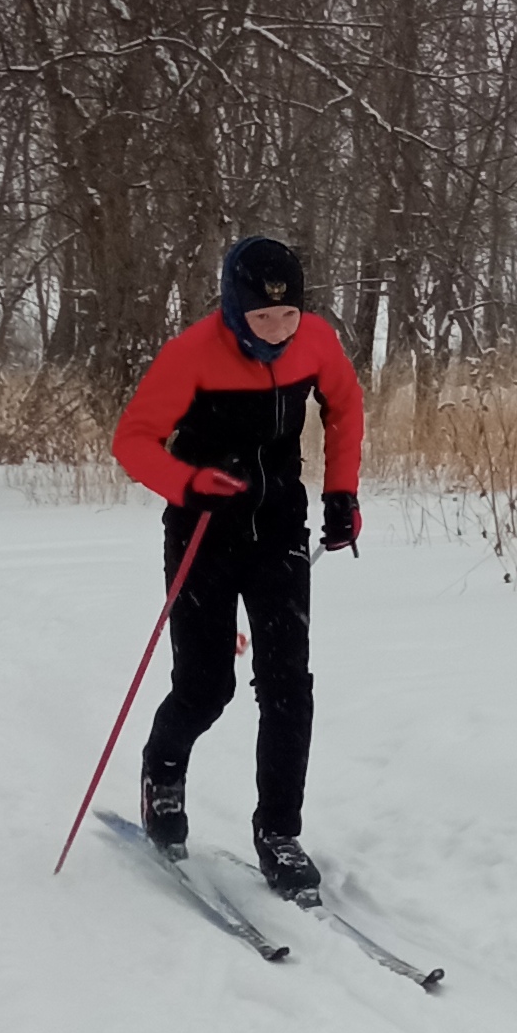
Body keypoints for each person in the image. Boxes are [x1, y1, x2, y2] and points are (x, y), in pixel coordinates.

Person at [110, 235, 364, 900]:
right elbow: (132, 441)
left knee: (288, 686)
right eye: (263, 319)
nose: (279, 333)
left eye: (289, 318)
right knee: (206, 685)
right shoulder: (189, 354)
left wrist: (342, 493)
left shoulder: (316, 343)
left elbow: (345, 408)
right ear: (232, 307)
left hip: (278, 526)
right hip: (202, 532)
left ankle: (278, 831)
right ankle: (162, 773)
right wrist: (187, 482)